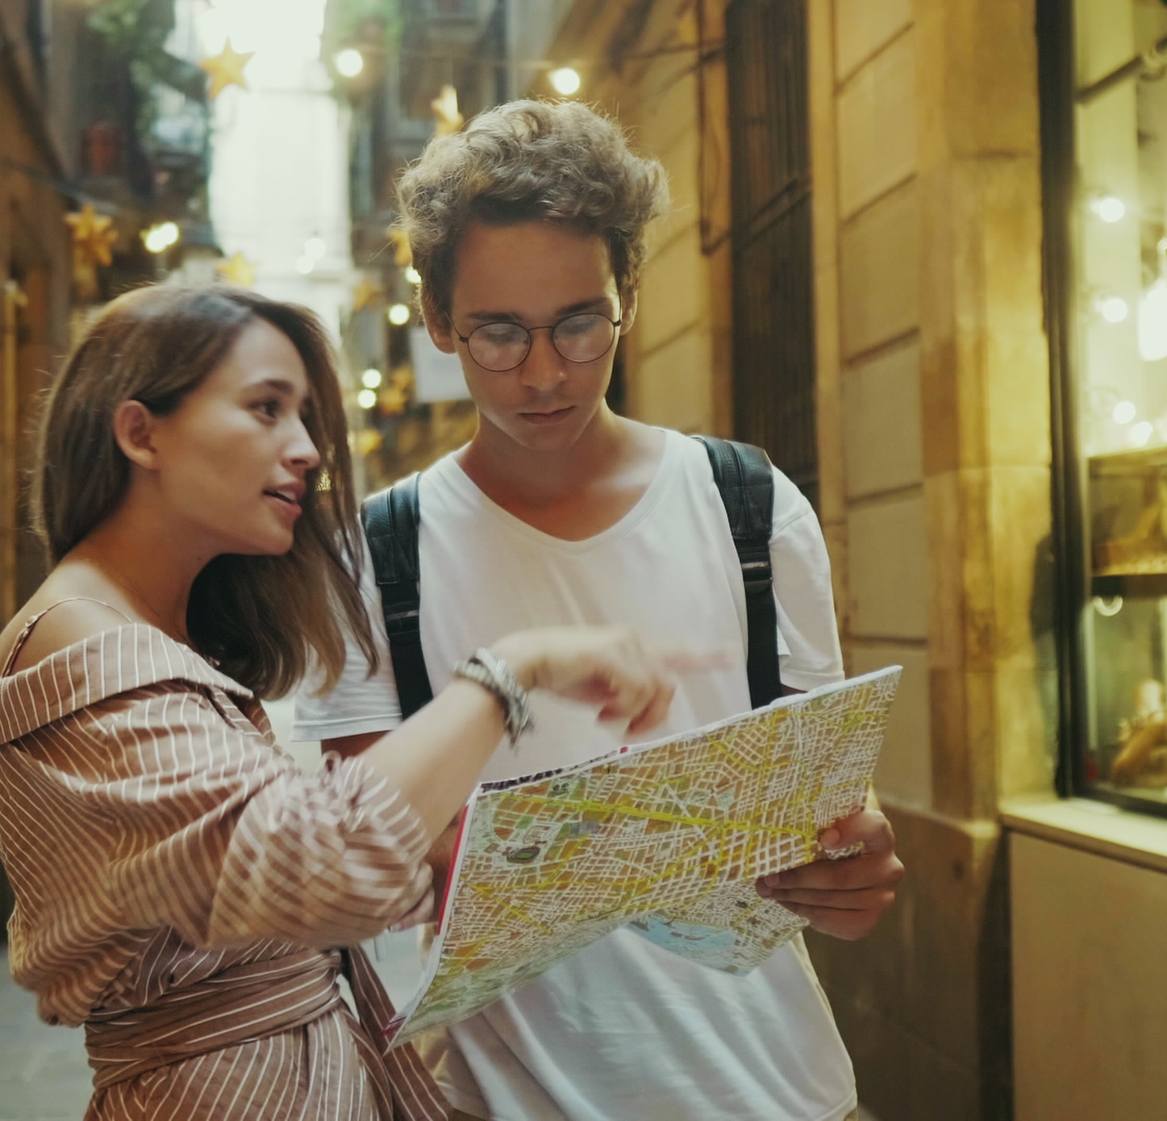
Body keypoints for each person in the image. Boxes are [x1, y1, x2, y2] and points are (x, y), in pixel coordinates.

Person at [296, 100, 905, 1121]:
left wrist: (853, 861)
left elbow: (830, 810)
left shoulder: (748, 508)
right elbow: (356, 871)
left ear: (627, 292)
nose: (543, 372)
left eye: (579, 323)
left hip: (781, 1092)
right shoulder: (372, 559)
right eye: (496, 333)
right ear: (436, 318)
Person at [0, 284, 705, 1121]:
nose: (309, 449)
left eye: (307, 416)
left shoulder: (141, 632)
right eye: (267, 408)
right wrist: (511, 670)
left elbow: (255, 884)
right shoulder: (83, 637)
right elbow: (316, 864)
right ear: (141, 432)